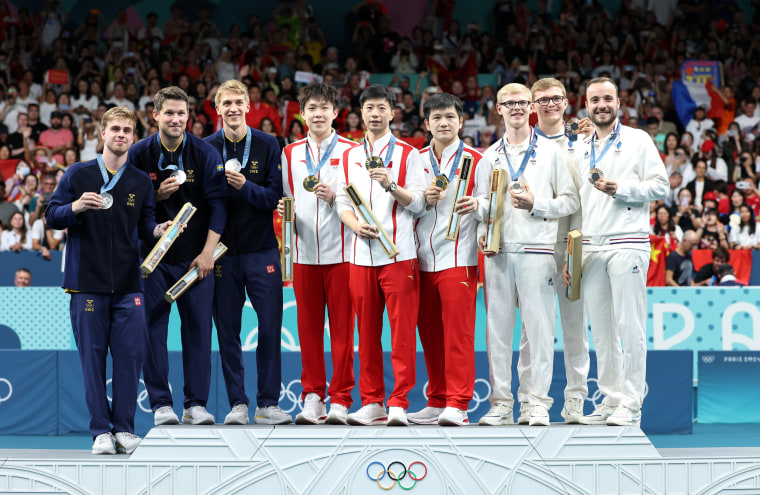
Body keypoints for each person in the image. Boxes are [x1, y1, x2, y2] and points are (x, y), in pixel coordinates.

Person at [46, 106, 171, 455]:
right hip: (87, 284)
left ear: (133, 137)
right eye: (115, 128)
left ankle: (125, 429)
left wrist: (159, 229)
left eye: (127, 130)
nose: (121, 135)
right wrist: (74, 208)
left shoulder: (140, 182)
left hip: (130, 284)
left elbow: (145, 227)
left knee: (131, 358)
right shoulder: (77, 174)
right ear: (102, 133)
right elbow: (51, 215)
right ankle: (101, 431)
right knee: (93, 360)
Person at [563, 77, 668, 427]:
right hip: (591, 246)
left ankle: (633, 401)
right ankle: (611, 397)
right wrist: (571, 253)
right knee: (602, 329)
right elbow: (575, 202)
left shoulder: (638, 139)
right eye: (595, 100)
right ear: (587, 104)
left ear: (619, 103)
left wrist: (620, 188)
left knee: (630, 325)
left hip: (627, 241)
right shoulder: (580, 147)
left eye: (608, 98)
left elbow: (661, 186)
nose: (601, 105)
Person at [477, 82, 579, 427]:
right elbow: (485, 207)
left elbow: (570, 201)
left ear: (531, 108)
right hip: (499, 252)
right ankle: (502, 403)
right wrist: (481, 232)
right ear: (498, 108)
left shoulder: (552, 154)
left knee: (538, 331)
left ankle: (537, 403)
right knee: (498, 331)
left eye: (522, 102)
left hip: (538, 250)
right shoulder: (489, 156)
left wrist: (538, 206)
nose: (517, 108)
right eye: (509, 103)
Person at [128, 86, 228, 426]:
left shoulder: (204, 153)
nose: (175, 119)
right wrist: (154, 195)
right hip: (152, 261)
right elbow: (128, 209)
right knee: (151, 330)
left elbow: (219, 206)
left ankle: (195, 404)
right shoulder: (138, 154)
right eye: (168, 113)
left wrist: (207, 254)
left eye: (181, 113)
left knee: (199, 329)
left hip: (194, 260)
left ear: (189, 116)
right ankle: (160, 405)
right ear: (155, 115)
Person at [335, 84, 426, 426]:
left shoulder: (408, 153)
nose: (375, 114)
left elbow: (418, 203)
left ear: (392, 112)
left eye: (381, 108)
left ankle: (399, 401)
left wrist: (391, 185)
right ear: (361, 113)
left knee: (402, 333)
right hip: (360, 255)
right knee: (367, 333)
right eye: (368, 108)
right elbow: (342, 201)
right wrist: (353, 225)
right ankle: (372, 401)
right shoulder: (348, 155)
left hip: (399, 255)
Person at [204, 80, 290, 426]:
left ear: (249, 106)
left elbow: (274, 198)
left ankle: (267, 402)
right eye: (227, 103)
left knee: (270, 328)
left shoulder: (269, 144)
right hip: (223, 254)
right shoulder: (207, 147)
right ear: (217, 108)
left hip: (262, 250)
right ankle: (237, 404)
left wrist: (245, 187)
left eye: (239, 102)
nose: (234, 108)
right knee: (227, 331)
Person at [406, 92, 490, 427]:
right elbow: (408, 203)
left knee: (458, 334)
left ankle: (458, 403)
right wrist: (421, 199)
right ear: (426, 124)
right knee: (429, 333)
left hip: (459, 255)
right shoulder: (415, 159)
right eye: (437, 118)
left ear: (460, 121)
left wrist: (478, 207)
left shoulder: (477, 159)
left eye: (450, 117)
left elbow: (490, 203)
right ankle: (437, 399)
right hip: (421, 258)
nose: (443, 123)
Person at [278, 83, 357, 425]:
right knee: (308, 329)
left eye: (325, 107)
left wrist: (336, 198)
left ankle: (340, 398)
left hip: (343, 253)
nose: (318, 114)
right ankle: (313, 396)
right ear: (303, 113)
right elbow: (284, 200)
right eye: (312, 108)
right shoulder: (290, 153)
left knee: (342, 330)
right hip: (304, 253)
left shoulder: (353, 151)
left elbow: (365, 202)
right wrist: (284, 212)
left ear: (336, 112)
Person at [525, 77, 590, 424]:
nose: (550, 104)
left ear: (566, 101)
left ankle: (576, 398)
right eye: (543, 100)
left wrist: (575, 251)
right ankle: (531, 400)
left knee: (575, 326)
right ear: (532, 106)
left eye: (556, 98)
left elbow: (582, 200)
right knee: (531, 329)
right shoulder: (522, 144)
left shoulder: (580, 145)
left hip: (572, 242)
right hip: (533, 245)